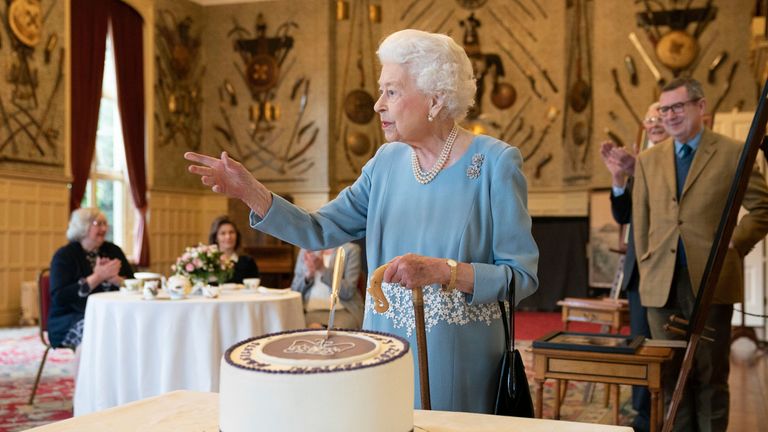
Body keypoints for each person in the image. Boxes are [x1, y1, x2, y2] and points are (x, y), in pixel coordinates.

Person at [184, 29, 539, 413]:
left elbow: (521, 277)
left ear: (435, 99)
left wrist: (444, 271)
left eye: (391, 91)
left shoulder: (495, 163)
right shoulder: (384, 164)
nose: (377, 105)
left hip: (461, 360)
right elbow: (317, 230)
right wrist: (250, 191)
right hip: (384, 350)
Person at [633, 77, 768, 431]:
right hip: (660, 286)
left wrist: (734, 246)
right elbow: (642, 221)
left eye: (678, 106)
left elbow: (762, 207)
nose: (670, 115)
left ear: (701, 107)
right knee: (670, 377)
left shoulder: (733, 152)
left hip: (711, 282)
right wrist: (648, 263)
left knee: (709, 376)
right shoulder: (647, 160)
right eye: (665, 109)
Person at [599, 102, 668, 432]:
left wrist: (638, 167)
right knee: (640, 348)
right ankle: (643, 418)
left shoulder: (677, 160)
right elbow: (624, 215)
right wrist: (618, 179)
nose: (655, 122)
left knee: (668, 351)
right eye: (650, 117)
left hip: (673, 271)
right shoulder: (638, 158)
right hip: (640, 273)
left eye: (661, 116)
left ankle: (671, 413)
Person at [49, 208, 134, 349]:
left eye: (105, 224)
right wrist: (97, 277)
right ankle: (87, 372)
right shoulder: (65, 255)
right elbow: (59, 297)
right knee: (98, 331)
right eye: (98, 223)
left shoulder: (113, 251)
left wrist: (117, 280)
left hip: (113, 314)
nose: (104, 228)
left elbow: (133, 284)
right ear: (83, 226)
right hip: (70, 318)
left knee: (134, 327)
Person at [291, 243, 364, 329]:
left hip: (342, 310)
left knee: (334, 336)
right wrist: (308, 276)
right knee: (299, 331)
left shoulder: (350, 249)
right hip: (310, 311)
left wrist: (322, 269)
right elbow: (295, 291)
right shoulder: (306, 250)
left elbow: (348, 292)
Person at [208, 215, 259, 283]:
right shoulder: (209, 261)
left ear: (237, 236)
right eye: (223, 233)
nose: (228, 237)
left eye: (231, 232)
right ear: (215, 238)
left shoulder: (248, 262)